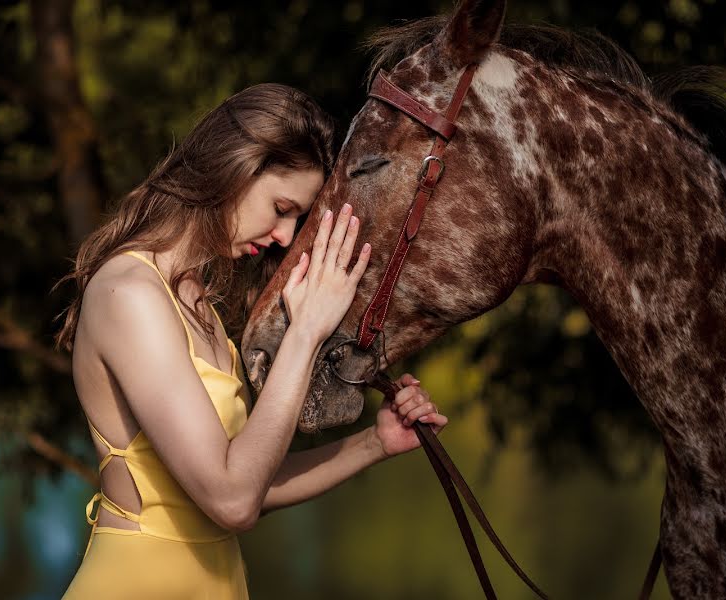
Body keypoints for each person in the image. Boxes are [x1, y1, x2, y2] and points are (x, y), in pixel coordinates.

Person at [54, 83, 448, 599]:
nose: (286, 236)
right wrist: (306, 332)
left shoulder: (195, 301)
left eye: (297, 219)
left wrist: (375, 443)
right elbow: (233, 502)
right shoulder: (130, 294)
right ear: (237, 166)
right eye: (282, 207)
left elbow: (248, 480)